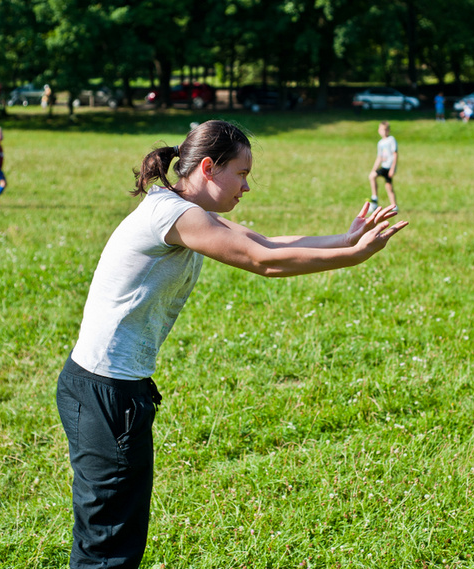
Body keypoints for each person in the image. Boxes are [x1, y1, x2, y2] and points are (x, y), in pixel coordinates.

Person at [56, 120, 407, 569]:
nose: (246, 186)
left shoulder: (183, 211)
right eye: (241, 174)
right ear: (208, 167)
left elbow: (261, 241)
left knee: (115, 534)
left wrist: (345, 238)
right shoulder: (172, 215)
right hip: (105, 392)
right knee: (107, 544)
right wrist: (352, 257)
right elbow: (264, 262)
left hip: (116, 390)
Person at [368, 120, 399, 212]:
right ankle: (376, 201)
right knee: (373, 176)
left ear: (388, 130)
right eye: (382, 130)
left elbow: (395, 154)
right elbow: (380, 157)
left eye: (386, 130)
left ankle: (391, 205)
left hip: (389, 166)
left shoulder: (391, 140)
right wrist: (374, 169)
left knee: (388, 186)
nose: (384, 132)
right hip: (384, 166)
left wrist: (393, 168)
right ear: (379, 131)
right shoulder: (380, 143)